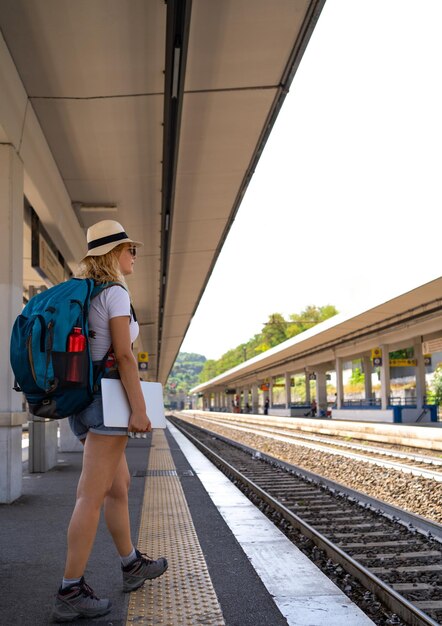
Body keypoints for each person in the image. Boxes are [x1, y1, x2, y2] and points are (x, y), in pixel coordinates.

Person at [52, 220, 168, 622]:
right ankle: (70, 589)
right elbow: (124, 356)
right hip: (106, 403)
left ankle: (131, 563)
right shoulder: (115, 293)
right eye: (129, 248)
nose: (134, 254)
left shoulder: (85, 294)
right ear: (112, 255)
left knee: (118, 485)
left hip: (82, 401)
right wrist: (140, 409)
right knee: (90, 494)